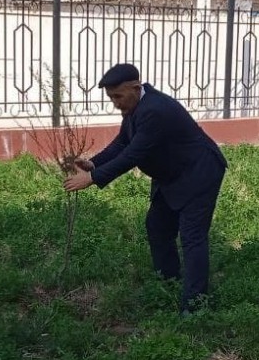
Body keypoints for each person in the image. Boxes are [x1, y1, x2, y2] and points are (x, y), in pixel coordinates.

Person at [63, 63, 227, 314]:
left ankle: (195, 306)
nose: (115, 103)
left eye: (118, 96)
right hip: (172, 175)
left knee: (192, 237)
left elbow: (133, 155)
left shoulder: (154, 110)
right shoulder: (135, 105)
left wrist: (93, 178)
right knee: (158, 226)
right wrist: (94, 162)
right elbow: (123, 143)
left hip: (198, 173)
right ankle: (168, 281)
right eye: (111, 97)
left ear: (136, 87)